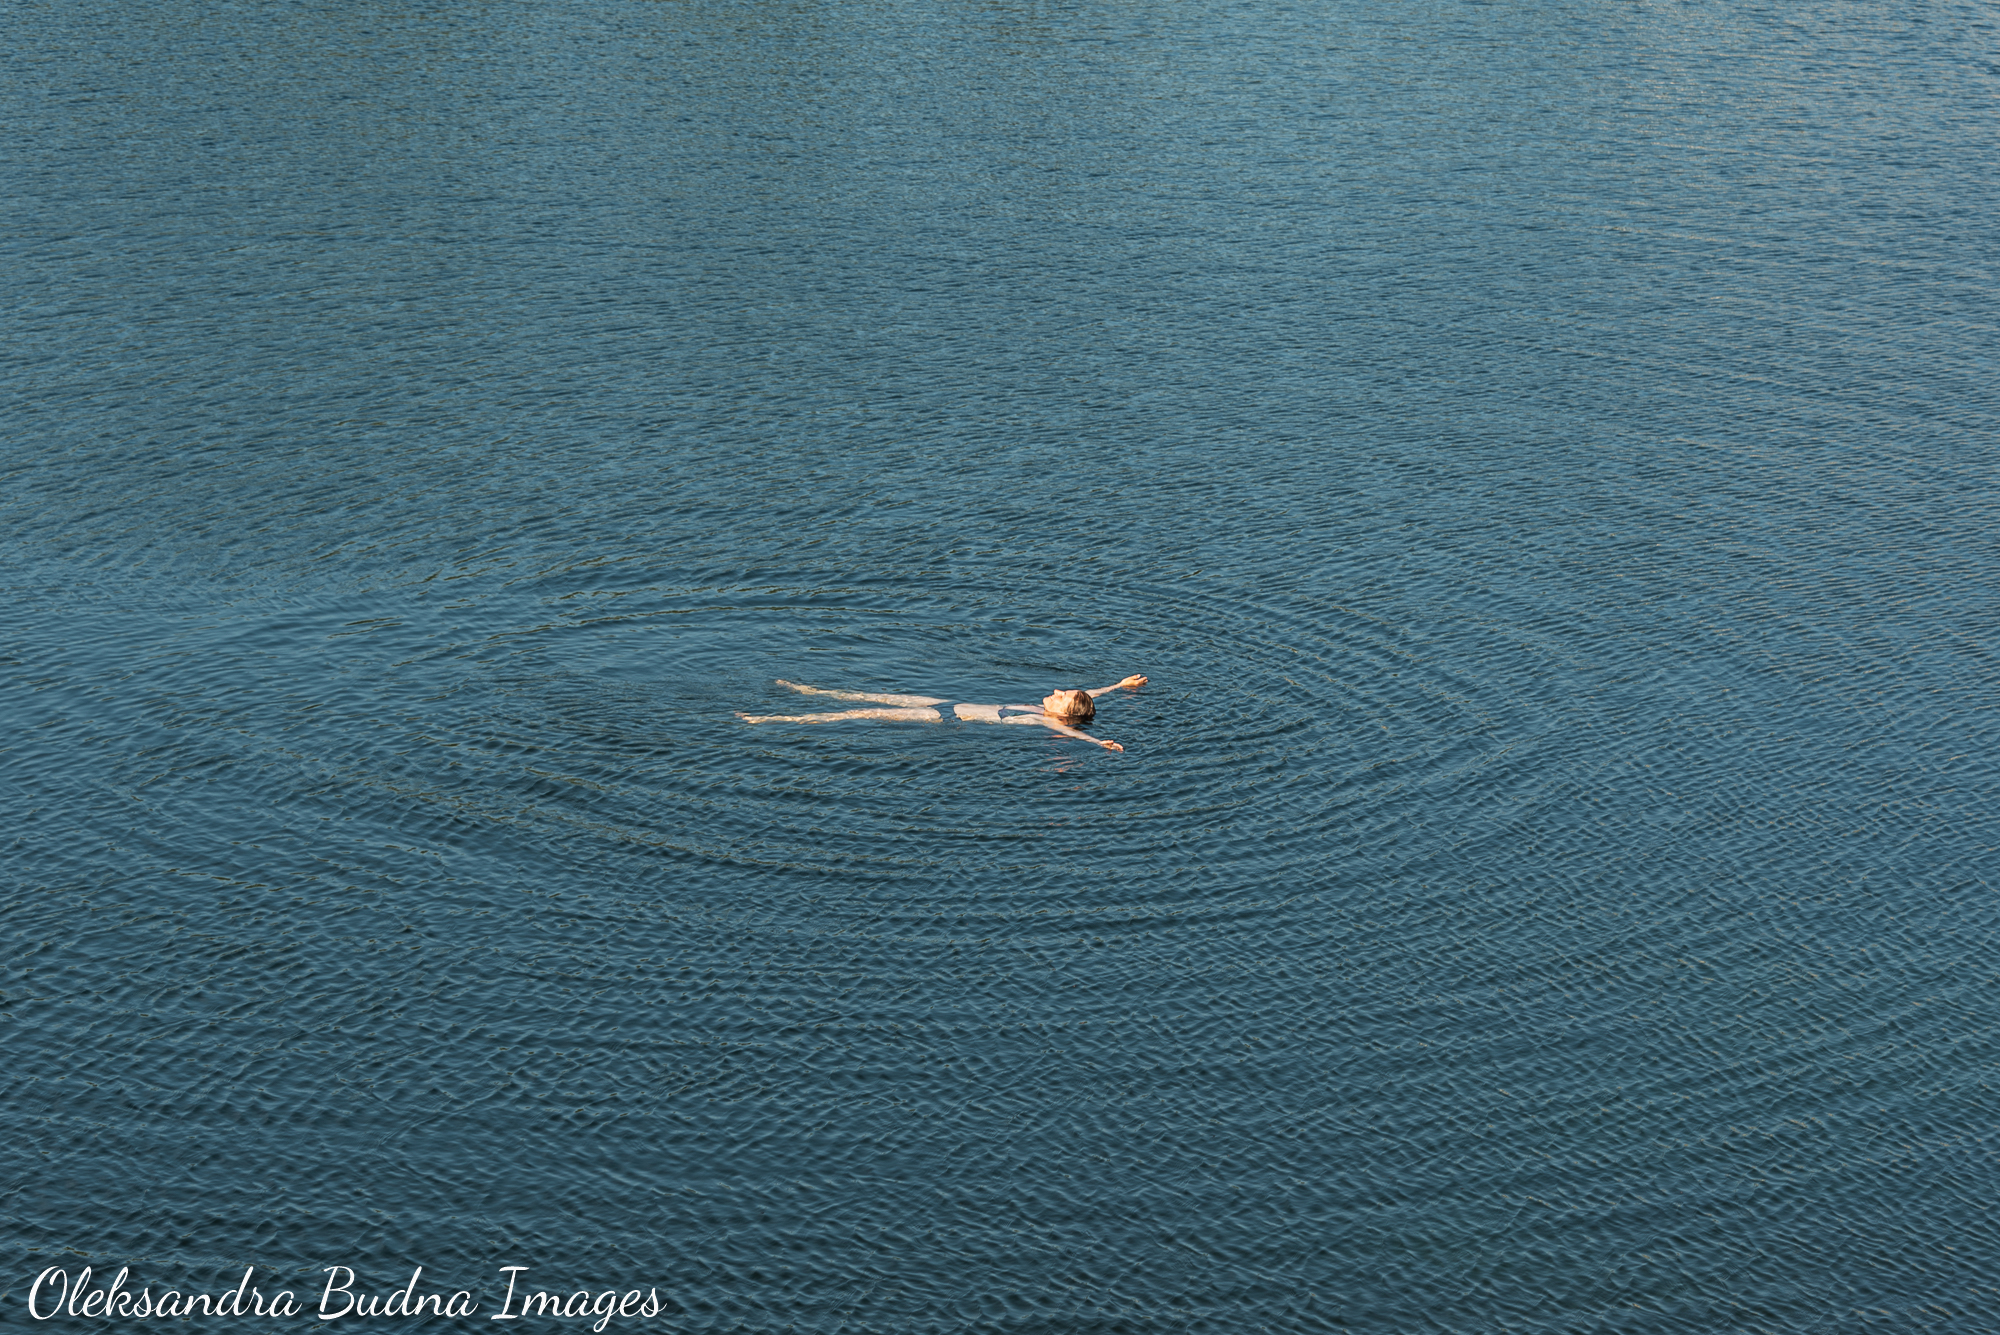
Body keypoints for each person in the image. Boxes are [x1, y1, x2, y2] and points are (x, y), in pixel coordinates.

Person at [738, 675, 1148, 752]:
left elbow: (1076, 733)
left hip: (942, 719)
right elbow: (1086, 695)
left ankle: (771, 720)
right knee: (870, 695)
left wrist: (1098, 743)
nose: (1055, 692)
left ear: (1062, 716)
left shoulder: (1042, 720)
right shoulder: (1056, 709)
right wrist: (1116, 686)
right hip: (939, 701)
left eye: (1061, 696)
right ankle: (809, 688)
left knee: (857, 712)